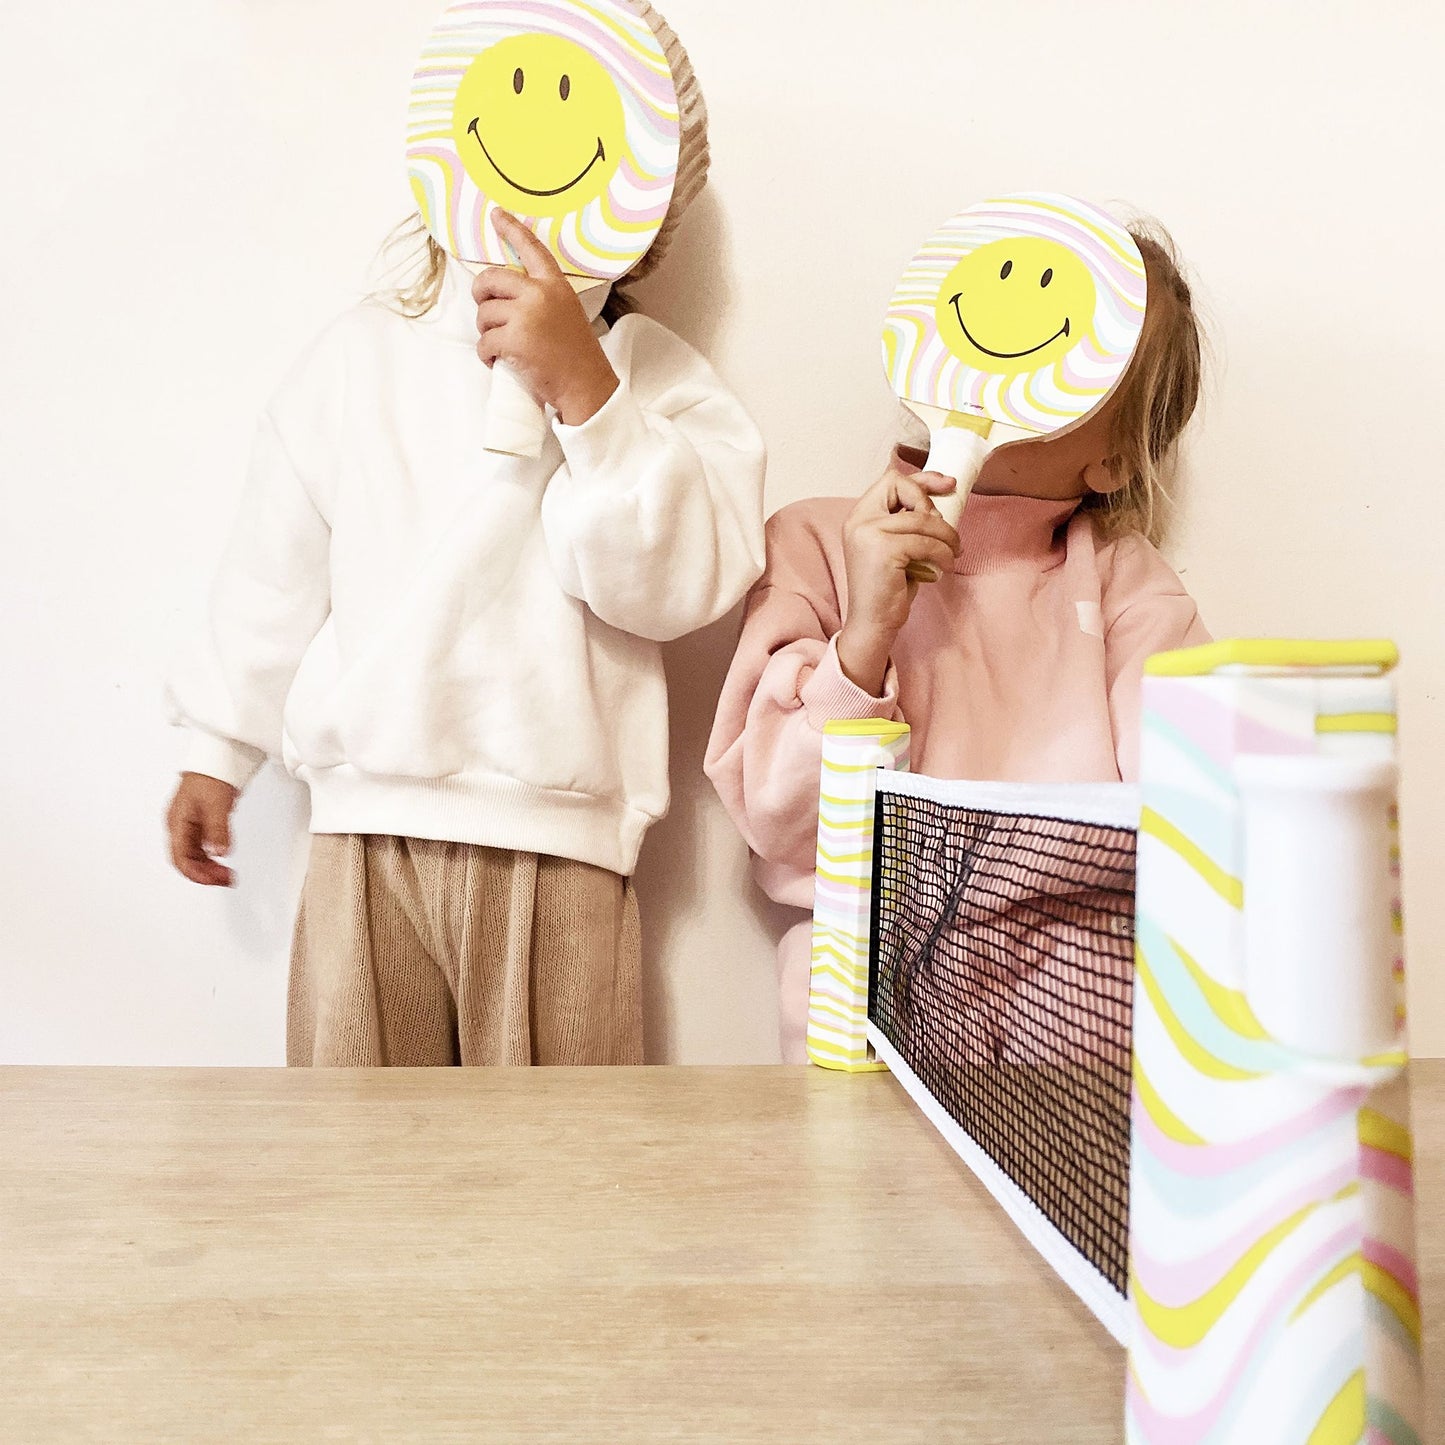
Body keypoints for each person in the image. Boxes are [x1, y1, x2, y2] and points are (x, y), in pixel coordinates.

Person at [165, 2, 765, 1067]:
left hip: (560, 845)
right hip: (364, 833)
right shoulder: (359, 360)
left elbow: (676, 584)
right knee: (359, 1168)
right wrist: (219, 745)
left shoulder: (659, 386)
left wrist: (587, 396)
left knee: (557, 1182)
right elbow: (274, 565)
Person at [705, 226, 1207, 1062]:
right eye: (1009, 279)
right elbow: (777, 817)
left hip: (1083, 1003)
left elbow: (1193, 820)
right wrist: (862, 640)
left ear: (1114, 462)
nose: (1020, 317)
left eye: (1090, 337)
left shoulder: (1126, 584)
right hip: (858, 994)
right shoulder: (812, 543)